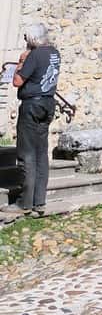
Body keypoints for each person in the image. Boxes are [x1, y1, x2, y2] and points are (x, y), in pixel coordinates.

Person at [5, 24, 61, 219]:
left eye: (27, 39)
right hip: (47, 103)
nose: (26, 42)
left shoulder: (35, 55)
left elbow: (17, 81)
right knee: (40, 154)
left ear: (33, 39)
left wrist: (21, 62)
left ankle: (24, 202)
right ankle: (39, 201)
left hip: (32, 105)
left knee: (27, 154)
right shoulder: (54, 53)